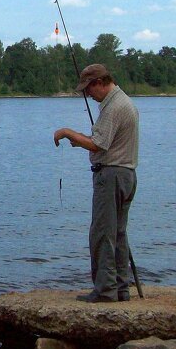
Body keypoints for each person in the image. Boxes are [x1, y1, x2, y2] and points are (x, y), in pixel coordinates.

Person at [53, 63, 139, 303]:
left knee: (102, 234)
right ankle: (121, 289)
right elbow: (103, 141)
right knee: (118, 234)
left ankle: (105, 291)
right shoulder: (124, 102)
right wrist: (83, 140)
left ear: (99, 83)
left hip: (111, 176)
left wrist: (69, 133)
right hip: (127, 175)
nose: (87, 95)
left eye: (88, 89)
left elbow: (98, 144)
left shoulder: (114, 107)